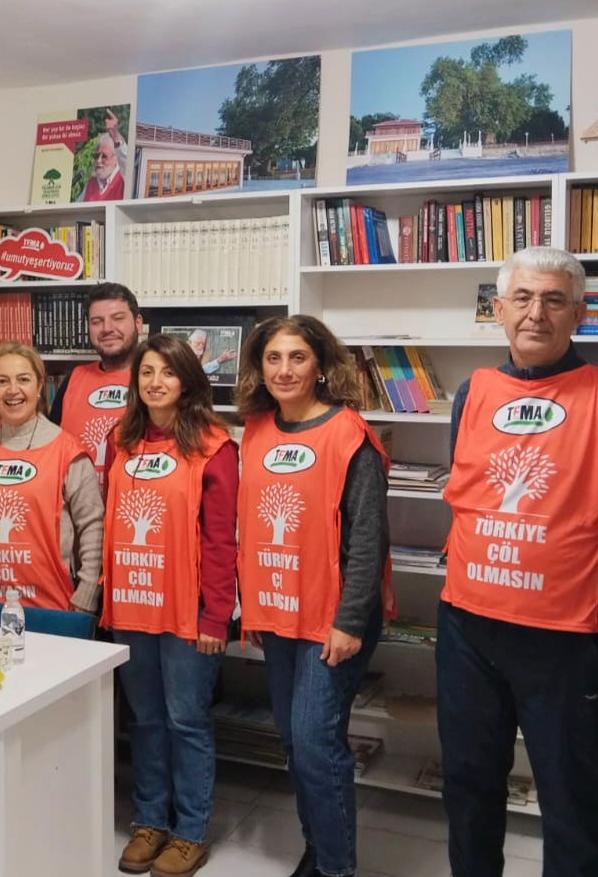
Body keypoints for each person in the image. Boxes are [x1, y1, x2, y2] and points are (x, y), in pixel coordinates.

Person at [438, 247, 598, 877]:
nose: (537, 314)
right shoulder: (472, 392)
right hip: (466, 630)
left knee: (573, 802)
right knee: (469, 789)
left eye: (554, 300)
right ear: (498, 311)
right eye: (523, 299)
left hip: (565, 641)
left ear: (579, 314)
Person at [234, 314, 392, 877]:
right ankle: (319, 847)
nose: (283, 369)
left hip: (333, 618)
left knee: (316, 741)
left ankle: (336, 868)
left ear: (322, 366)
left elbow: (369, 538)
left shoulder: (350, 435)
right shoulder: (254, 429)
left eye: (297, 357)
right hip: (278, 610)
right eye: (273, 358)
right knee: (296, 743)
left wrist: (349, 621)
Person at [101, 334, 237, 877]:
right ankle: (150, 820)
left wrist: (215, 615)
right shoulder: (121, 440)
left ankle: (189, 831)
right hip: (132, 607)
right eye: (146, 372)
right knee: (146, 722)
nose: (155, 382)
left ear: (188, 380)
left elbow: (222, 541)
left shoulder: (214, 445)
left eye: (167, 372)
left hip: (188, 614)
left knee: (186, 722)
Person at [0, 342, 103, 612]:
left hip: (53, 608)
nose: (13, 390)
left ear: (39, 386)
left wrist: (86, 594)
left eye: (23, 379)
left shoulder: (68, 451)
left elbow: (93, 526)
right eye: (2, 381)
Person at [52, 282, 144, 484]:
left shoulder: (158, 382)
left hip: (134, 510)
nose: (107, 328)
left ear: (138, 323)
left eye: (118, 318)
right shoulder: (73, 380)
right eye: (96, 321)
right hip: (78, 511)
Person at [79, 109, 128, 202]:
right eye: (96, 156)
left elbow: (127, 163)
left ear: (116, 158)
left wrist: (117, 140)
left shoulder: (123, 179)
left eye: (104, 156)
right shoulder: (91, 183)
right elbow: (75, 209)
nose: (98, 161)